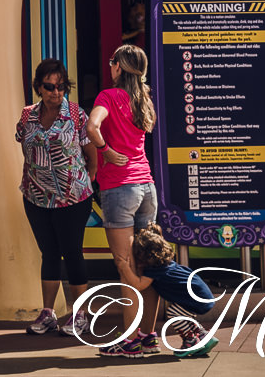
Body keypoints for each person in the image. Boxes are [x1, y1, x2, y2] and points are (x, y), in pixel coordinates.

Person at [15, 58, 97, 336]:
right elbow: (24, 145)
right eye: (49, 87)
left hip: (72, 197)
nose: (56, 92)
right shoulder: (27, 115)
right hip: (36, 196)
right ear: (39, 87)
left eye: (61, 86)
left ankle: (80, 314)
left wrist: (88, 177)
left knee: (72, 252)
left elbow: (90, 152)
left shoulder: (75, 114)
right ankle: (48, 313)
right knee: (48, 252)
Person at [88, 44, 158, 359]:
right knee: (148, 264)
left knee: (126, 267)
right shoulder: (144, 98)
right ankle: (148, 337)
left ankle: (129, 341)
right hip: (147, 187)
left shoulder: (108, 96)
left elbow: (92, 126)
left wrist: (105, 151)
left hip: (120, 188)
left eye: (111, 61)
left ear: (117, 66)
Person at [129, 223, 218, 357]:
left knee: (173, 313)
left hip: (196, 298)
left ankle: (190, 340)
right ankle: (202, 334)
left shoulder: (155, 270)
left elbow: (139, 285)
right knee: (182, 314)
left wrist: (124, 267)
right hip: (201, 295)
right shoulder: (166, 264)